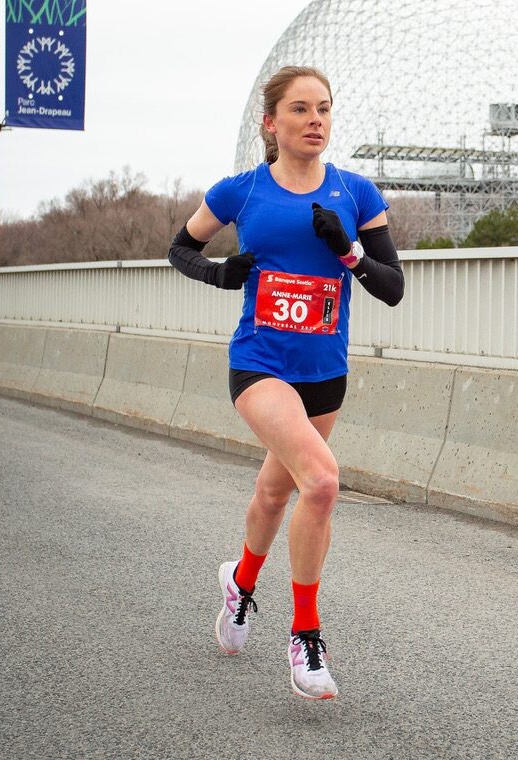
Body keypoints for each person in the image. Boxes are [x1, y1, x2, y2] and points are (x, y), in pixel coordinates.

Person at [167, 65, 404, 700]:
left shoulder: (356, 193)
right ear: (271, 122)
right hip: (260, 364)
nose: (315, 120)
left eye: (323, 108)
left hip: (324, 372)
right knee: (321, 482)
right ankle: (305, 637)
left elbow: (392, 288)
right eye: (300, 109)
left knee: (276, 494)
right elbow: (180, 249)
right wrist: (221, 273)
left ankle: (240, 583)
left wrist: (349, 251)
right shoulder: (241, 191)